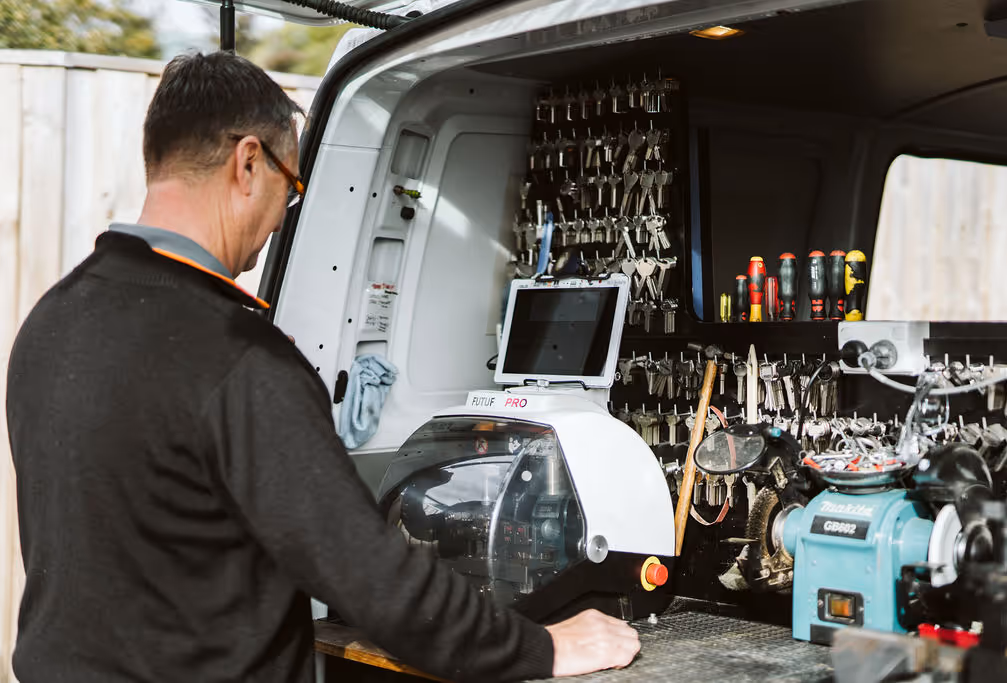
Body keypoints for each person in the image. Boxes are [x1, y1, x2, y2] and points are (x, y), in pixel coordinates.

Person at [5, 51, 640, 683]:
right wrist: (543, 647)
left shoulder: (50, 323)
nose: (284, 215)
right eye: (292, 187)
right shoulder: (237, 358)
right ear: (248, 162)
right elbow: (373, 580)